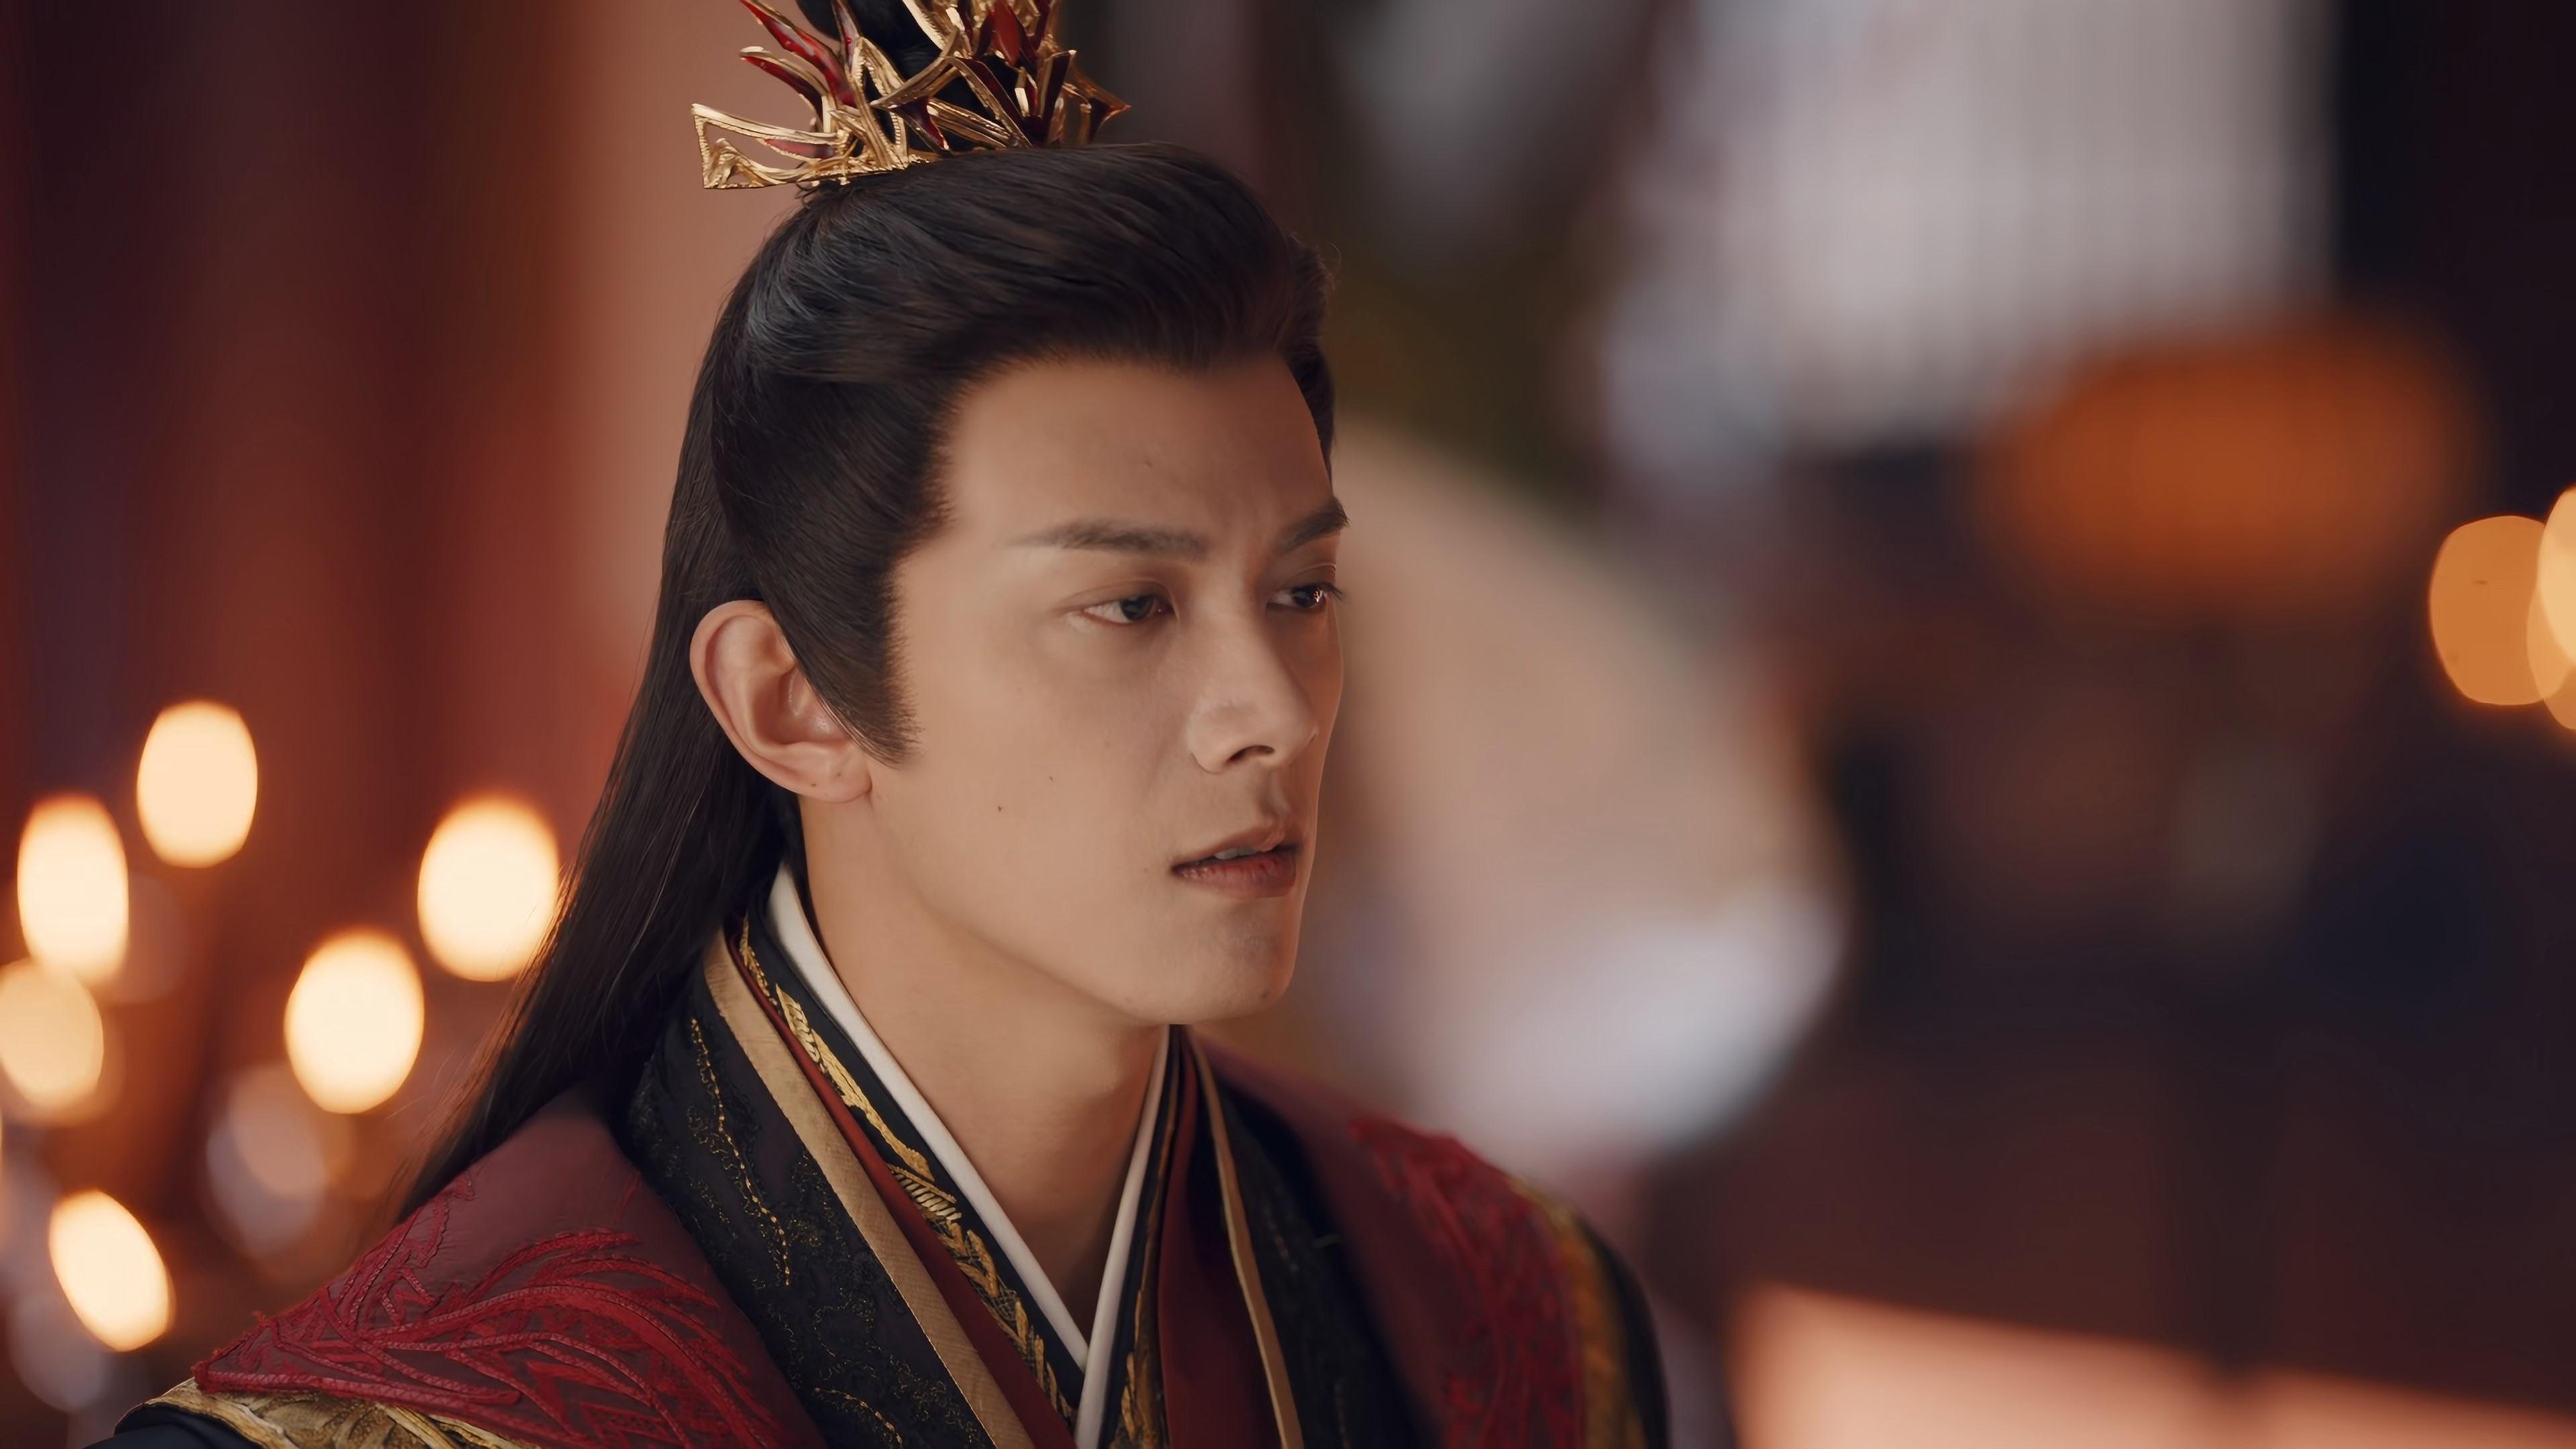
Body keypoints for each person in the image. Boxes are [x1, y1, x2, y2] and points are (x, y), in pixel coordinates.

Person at [103, 1, 1668, 1444]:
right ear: (793, 701)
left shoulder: (1505, 1314)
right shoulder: (401, 1421)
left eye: (1302, 592)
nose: (1271, 713)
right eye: (1131, 606)